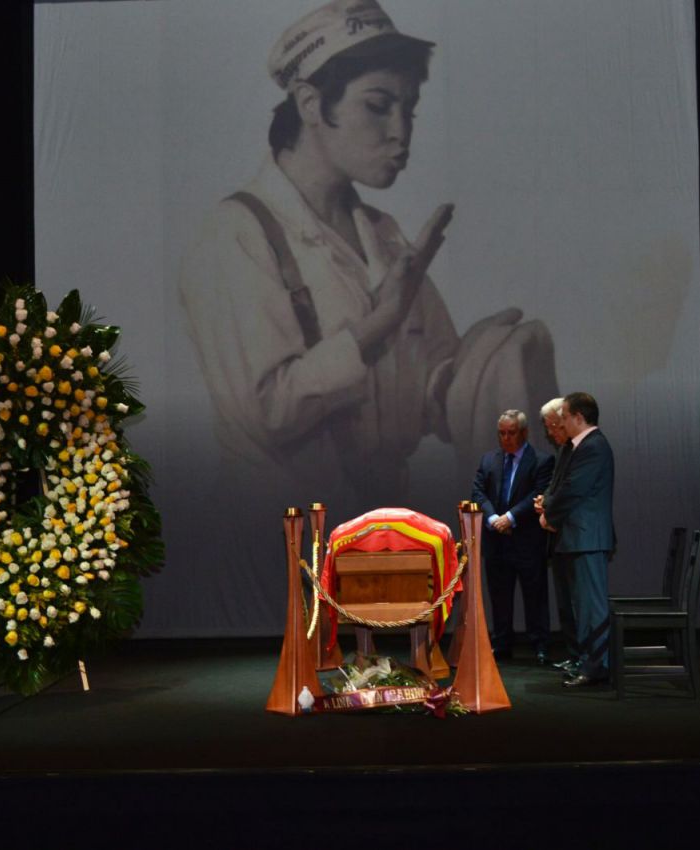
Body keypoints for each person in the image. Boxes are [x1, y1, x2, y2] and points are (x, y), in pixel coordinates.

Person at [178, 0, 550, 512]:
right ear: (310, 104)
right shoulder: (234, 236)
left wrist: (477, 362)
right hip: (273, 545)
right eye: (378, 105)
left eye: (409, 109)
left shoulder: (383, 235)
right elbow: (265, 415)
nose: (402, 131)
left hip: (377, 534)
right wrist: (379, 324)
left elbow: (425, 399)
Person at [536, 392, 615, 687]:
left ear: (578, 418)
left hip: (586, 538)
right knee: (580, 606)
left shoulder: (593, 447)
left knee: (591, 607)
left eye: (565, 417)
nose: (562, 423)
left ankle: (597, 667)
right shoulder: (581, 447)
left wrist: (548, 515)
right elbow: (566, 488)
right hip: (578, 538)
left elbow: (573, 490)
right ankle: (587, 662)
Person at [470, 409, 554, 664]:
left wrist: (511, 517)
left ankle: (540, 645)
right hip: (497, 540)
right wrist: (494, 518)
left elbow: (538, 494)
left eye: (511, 433)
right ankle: (502, 644)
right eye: (502, 433)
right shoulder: (489, 460)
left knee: (535, 596)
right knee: (499, 596)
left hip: (527, 541)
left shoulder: (541, 460)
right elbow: (478, 493)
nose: (506, 438)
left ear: (524, 432)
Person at [537, 397, 579, 670]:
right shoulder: (564, 451)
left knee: (579, 604)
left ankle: (585, 659)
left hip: (575, 535)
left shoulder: (583, 450)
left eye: (554, 425)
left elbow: (570, 491)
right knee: (566, 605)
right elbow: (554, 486)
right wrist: (544, 500)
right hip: (561, 538)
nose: (551, 432)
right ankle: (575, 654)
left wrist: (547, 508)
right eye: (548, 427)